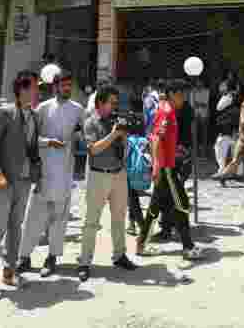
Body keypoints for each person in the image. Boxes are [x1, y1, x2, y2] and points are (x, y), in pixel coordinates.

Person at [0, 74, 40, 301]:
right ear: (22, 90)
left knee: (16, 228)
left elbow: (32, 149)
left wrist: (36, 174)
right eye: (34, 88)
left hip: (23, 182)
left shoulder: (33, 116)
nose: (37, 92)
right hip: (3, 183)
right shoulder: (5, 113)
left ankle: (9, 272)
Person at [17, 66, 83, 278]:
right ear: (55, 87)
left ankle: (52, 257)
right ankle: (24, 256)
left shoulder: (77, 110)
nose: (66, 88)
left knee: (60, 218)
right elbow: (30, 139)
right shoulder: (43, 109)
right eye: (62, 85)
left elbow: (82, 136)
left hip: (65, 172)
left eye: (68, 86)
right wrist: (48, 142)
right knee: (34, 216)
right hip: (43, 172)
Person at [136, 81, 204, 259]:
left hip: (168, 165)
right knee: (181, 204)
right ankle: (188, 247)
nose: (184, 98)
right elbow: (157, 138)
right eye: (181, 95)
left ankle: (141, 244)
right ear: (172, 93)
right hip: (167, 167)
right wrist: (158, 167)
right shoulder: (166, 111)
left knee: (156, 205)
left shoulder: (167, 109)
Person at [77, 86, 139, 281]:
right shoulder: (90, 123)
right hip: (98, 176)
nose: (114, 107)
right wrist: (113, 135)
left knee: (119, 218)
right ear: (100, 104)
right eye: (111, 103)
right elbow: (93, 150)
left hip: (118, 175)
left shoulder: (117, 122)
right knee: (91, 222)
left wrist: (124, 136)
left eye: (115, 103)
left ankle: (119, 255)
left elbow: (125, 148)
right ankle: (85, 262)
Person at [212, 88, 242, 181]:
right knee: (233, 154)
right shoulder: (234, 109)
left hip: (230, 134)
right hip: (229, 134)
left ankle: (226, 172)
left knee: (225, 154)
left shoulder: (234, 110)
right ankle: (234, 172)